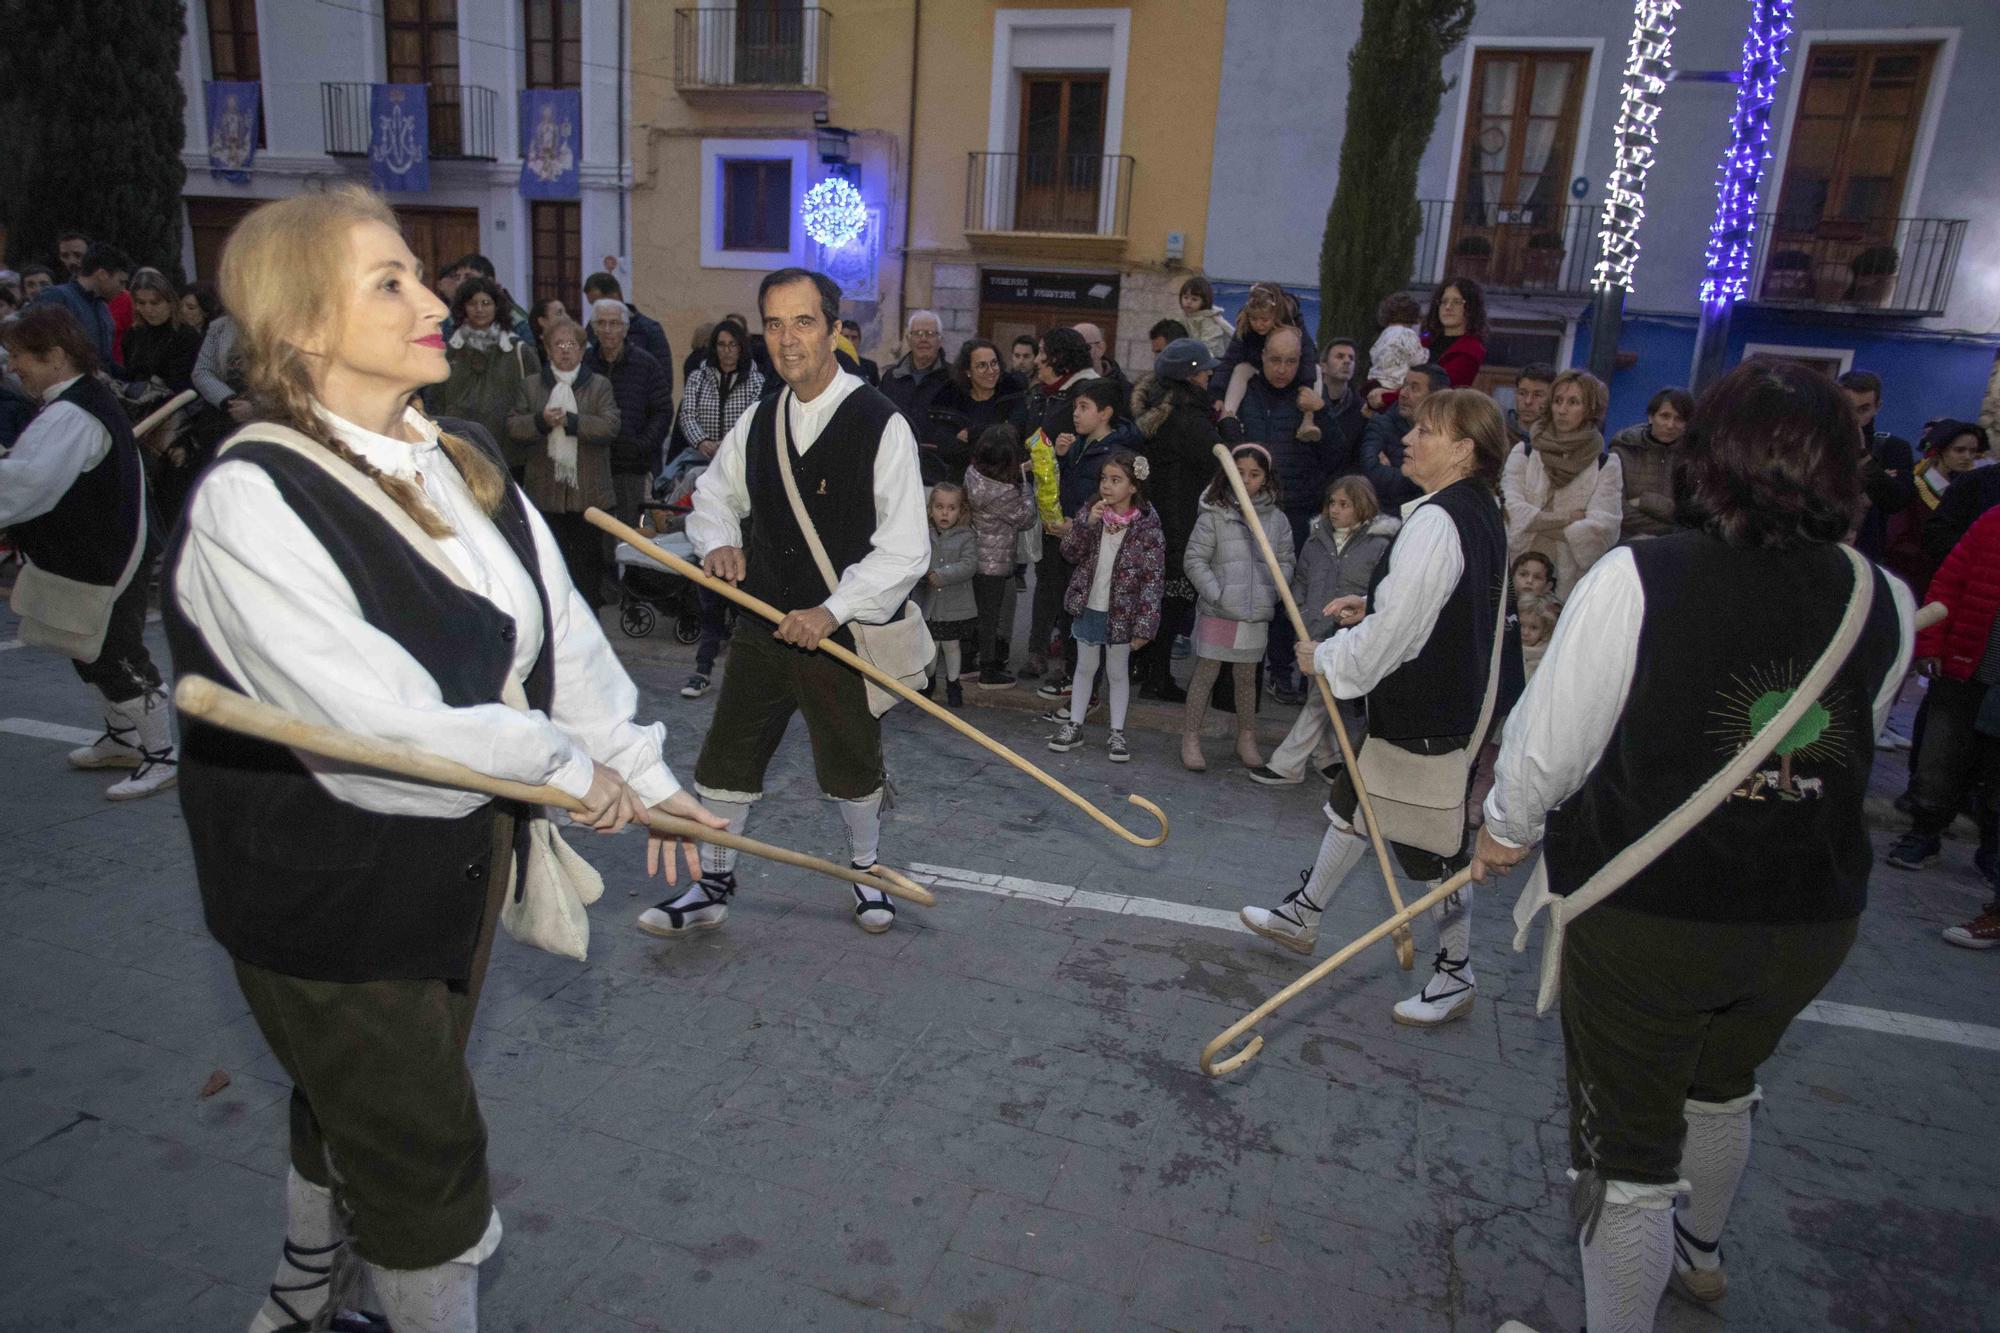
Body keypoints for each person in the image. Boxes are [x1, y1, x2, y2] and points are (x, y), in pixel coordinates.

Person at [162, 186, 719, 1333]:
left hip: (453, 866)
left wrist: (645, 774)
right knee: (424, 1155)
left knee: (355, 1097)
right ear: (303, 328)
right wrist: (566, 771)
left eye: (418, 275)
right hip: (319, 893)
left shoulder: (457, 455)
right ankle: (381, 1291)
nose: (435, 300)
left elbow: (558, 637)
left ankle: (310, 1279)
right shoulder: (248, 501)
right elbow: (379, 732)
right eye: (390, 283)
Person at [1477, 360, 1911, 1333]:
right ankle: (1701, 1257)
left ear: (1710, 457)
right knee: (1721, 1085)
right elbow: (1856, 738)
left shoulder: (1640, 576)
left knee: (1625, 1155)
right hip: (1807, 916)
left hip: (1648, 916)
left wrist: (1503, 831)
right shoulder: (1879, 596)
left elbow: (1549, 741)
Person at [644, 267, 927, 940]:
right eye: (773, 323)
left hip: (839, 634)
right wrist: (716, 544)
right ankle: (712, 883)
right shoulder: (758, 418)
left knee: (853, 759)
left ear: (835, 330)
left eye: (803, 322)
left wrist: (833, 609)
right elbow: (713, 496)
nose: (787, 338)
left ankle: (866, 871)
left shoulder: (880, 424)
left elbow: (906, 547)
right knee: (727, 755)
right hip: (764, 621)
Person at [1239, 387, 1511, 1032]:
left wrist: (1330, 659)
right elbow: (1431, 609)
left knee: (1434, 853)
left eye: (1425, 431)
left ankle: (1455, 973)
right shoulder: (1478, 510)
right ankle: (1304, 914)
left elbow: (1400, 636)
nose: (1408, 440)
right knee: (1354, 802)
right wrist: (1374, 611)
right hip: (1439, 699)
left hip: (1429, 711)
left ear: (1463, 450)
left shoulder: (1440, 521)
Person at [0, 305, 175, 801]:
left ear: (54, 356)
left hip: (107, 556)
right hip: (89, 552)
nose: (12, 366)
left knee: (115, 655)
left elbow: (30, 483)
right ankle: (122, 740)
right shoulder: (70, 405)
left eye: (19, 357)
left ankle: (163, 755)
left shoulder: (73, 413)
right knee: (84, 648)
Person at [1249, 475, 1397, 786]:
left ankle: (1286, 764)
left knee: (1322, 698)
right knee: (1324, 697)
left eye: (1344, 504)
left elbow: (1383, 590)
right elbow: (1301, 580)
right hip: (1314, 629)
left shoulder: (1380, 545)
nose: (1335, 510)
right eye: (1332, 503)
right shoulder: (1317, 540)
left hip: (1349, 634)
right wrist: (1302, 615)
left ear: (1363, 506)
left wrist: (1361, 615)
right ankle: (1328, 758)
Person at [1237, 325, 1342, 703]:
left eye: (1291, 361)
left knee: (1288, 598)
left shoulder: (1310, 399)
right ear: (1263, 358)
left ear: (1302, 363)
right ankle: (1238, 676)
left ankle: (1280, 673)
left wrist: (1322, 414)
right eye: (1276, 359)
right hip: (1248, 510)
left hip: (1296, 510)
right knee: (1244, 593)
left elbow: (1335, 457)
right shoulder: (1244, 391)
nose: (1282, 368)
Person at [1914, 506, 2000, 947]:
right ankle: (1924, 832)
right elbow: (1949, 582)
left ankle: (1991, 855)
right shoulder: (1992, 521)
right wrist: (1929, 641)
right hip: (1969, 666)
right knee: (1942, 755)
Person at [1047, 450, 1164, 763]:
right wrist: (1086, 524)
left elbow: (1153, 580)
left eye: (1116, 480)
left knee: (1117, 671)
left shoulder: (1148, 528)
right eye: (1104, 479)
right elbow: (1070, 552)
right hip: (1090, 605)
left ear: (1134, 486)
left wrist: (1145, 625)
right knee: (1084, 667)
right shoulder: (1092, 512)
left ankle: (1117, 731)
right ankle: (1075, 723)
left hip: (1123, 613)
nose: (1107, 486)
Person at [1182, 443, 1293, 772]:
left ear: (1266, 478)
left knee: (1247, 678)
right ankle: (1191, 737)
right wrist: (1217, 594)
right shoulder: (1215, 515)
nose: (1246, 480)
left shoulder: (1277, 520)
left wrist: (1270, 593)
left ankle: (1247, 736)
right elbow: (1194, 559)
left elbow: (1286, 560)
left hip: (1254, 615)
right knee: (1206, 674)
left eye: (1254, 474)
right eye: (1239, 472)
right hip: (1219, 611)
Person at [508, 315, 620, 610]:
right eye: (558, 344)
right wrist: (540, 421)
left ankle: (589, 632)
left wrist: (572, 421)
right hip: (545, 496)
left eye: (572, 345)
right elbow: (513, 427)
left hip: (589, 499)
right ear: (547, 350)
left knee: (586, 576)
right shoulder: (531, 387)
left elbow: (610, 427)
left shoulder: (599, 386)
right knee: (551, 572)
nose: (565, 350)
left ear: (583, 351)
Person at [1131, 337, 1222, 701]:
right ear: (1191, 376)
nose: (1211, 375)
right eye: (1205, 371)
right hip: (1181, 518)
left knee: (1153, 596)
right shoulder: (1190, 417)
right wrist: (1230, 429)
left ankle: (1143, 666)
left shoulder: (1158, 409)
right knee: (1172, 600)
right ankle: (1157, 676)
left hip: (1155, 514)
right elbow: (1216, 462)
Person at [1016, 325, 1099, 684]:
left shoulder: (1085, 391)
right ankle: (1037, 650)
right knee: (1047, 578)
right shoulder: (1045, 393)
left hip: (1074, 503)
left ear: (1060, 357)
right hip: (1047, 501)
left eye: (1042, 352)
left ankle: (1067, 658)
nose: (1036, 360)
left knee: (1069, 582)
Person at [1505, 368, 1623, 592]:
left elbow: (1602, 530)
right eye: (1557, 401)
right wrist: (1567, 518)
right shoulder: (1526, 452)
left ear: (1589, 409)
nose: (1562, 410)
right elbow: (1509, 512)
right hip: (1515, 570)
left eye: (1573, 402)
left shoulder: (1606, 464)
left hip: (1567, 582)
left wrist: (1535, 522)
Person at [431, 275, 541, 474]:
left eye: (486, 303)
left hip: (510, 454)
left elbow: (536, 399)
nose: (479, 309)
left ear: (496, 307)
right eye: (473, 303)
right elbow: (435, 402)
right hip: (462, 453)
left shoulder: (518, 351)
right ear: (463, 308)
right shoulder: (447, 353)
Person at [585, 297, 673, 522]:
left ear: (625, 329)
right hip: (592, 465)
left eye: (614, 323)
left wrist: (642, 445)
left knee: (629, 532)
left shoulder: (646, 364)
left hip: (631, 467)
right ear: (594, 328)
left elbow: (662, 411)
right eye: (601, 323)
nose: (607, 330)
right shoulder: (585, 365)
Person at [963, 424, 1038, 687]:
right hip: (994, 564)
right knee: (990, 618)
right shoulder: (1007, 493)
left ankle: (965, 662)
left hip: (972, 556)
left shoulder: (972, 475)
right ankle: (988, 669)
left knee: (972, 614)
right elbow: (1026, 518)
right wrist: (1027, 487)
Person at [1885, 418, 1987, 598]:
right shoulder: (1914, 487)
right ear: (1940, 451)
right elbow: (1897, 541)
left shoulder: (1972, 493)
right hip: (1909, 582)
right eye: (1959, 450)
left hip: (1953, 584)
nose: (1967, 457)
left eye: (1973, 451)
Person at [672, 317, 763, 495]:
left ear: (741, 347)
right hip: (700, 455)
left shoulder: (756, 381)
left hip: (737, 459)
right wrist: (701, 441)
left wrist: (724, 444)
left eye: (732, 345)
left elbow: (751, 420)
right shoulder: (698, 378)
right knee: (689, 482)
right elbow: (687, 414)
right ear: (714, 347)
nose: (727, 350)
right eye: (721, 345)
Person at [1837, 369, 1915, 562]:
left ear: (1877, 407)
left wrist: (1863, 457)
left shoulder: (1893, 448)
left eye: (1863, 409)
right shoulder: (1816, 443)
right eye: (1848, 408)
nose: (1854, 418)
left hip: (1864, 555)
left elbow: (1895, 501)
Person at [1215, 281, 1317, 421]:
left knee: (1316, 371)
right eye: (1254, 319)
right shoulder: (1245, 327)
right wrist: (1218, 393)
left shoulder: (1293, 323)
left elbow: (1307, 354)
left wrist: (1307, 384)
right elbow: (1230, 359)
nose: (1258, 324)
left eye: (1264, 319)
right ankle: (1227, 416)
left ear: (1276, 315)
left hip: (1290, 372)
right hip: (1259, 368)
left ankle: (1309, 419)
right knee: (1240, 369)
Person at [929, 337, 1024, 484]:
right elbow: (946, 447)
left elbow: (1013, 434)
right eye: (981, 366)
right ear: (968, 371)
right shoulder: (950, 399)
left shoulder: (1012, 395)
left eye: (994, 363)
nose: (991, 371)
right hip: (959, 484)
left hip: (1004, 486)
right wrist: (991, 442)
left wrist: (973, 434)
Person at [1608, 387, 1694, 542]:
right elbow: (1616, 507)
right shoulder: (1623, 451)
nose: (1670, 425)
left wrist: (1645, 501)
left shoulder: (1693, 459)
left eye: (1679, 419)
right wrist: (1668, 528)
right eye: (1665, 416)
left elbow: (1692, 512)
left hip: (1675, 544)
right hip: (1625, 540)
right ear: (1651, 417)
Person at [30, 242, 130, 373]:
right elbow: (38, 346)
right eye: (120, 281)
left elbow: (105, 362)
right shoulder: (56, 297)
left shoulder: (102, 309)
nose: (122, 289)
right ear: (102, 274)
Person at [920, 481, 977, 707]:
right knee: (931, 645)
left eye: (951, 508)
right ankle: (929, 680)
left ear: (960, 510)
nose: (945, 513)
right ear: (930, 509)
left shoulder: (967, 536)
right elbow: (916, 559)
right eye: (939, 507)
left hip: (955, 605)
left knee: (951, 645)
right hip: (930, 605)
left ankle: (954, 683)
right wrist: (924, 574)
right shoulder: (924, 534)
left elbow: (969, 565)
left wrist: (942, 574)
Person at [881, 309, 955, 482]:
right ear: (908, 339)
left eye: (930, 334)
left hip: (938, 475)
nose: (923, 339)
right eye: (917, 333)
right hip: (894, 472)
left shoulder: (954, 379)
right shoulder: (891, 378)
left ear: (940, 340)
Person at [1362, 362, 1447, 512]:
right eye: (1404, 385)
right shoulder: (1381, 425)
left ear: (1434, 397)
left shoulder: (1446, 434)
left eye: (1414, 388)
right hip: (1387, 516)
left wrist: (1397, 471)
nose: (1403, 393)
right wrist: (1427, 476)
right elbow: (1373, 474)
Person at [122, 267, 202, 392]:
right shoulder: (133, 334)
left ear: (170, 302)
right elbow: (129, 374)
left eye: (155, 303)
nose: (148, 310)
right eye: (141, 303)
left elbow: (182, 383)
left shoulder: (186, 336)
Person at [440, 253, 534, 344]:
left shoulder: (515, 319)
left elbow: (528, 355)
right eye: (458, 277)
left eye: (468, 277)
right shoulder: (450, 319)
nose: (460, 283)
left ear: (490, 281)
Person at [582, 271, 670, 367]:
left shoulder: (649, 330)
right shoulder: (592, 328)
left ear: (615, 296)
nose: (595, 309)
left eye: (597, 303)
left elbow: (663, 376)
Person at [1420, 276, 1488, 387]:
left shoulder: (1471, 349)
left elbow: (1437, 387)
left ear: (1471, 308)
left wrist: (1387, 396)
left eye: (1457, 302)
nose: (1448, 307)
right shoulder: (1425, 340)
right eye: (1444, 301)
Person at [1364, 292, 1428, 407]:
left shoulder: (1384, 334)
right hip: (1395, 385)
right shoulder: (1407, 334)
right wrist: (1427, 353)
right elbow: (1418, 360)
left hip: (1375, 382)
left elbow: (1373, 354)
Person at [1320, 338, 1366, 458]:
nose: (1347, 361)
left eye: (1351, 358)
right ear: (1323, 367)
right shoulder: (1307, 402)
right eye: (1340, 356)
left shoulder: (1361, 409)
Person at [1177, 274, 1234, 356]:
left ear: (1204, 301)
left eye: (1194, 299)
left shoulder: (1209, 320)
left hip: (1213, 359)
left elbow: (1210, 345)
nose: (1189, 302)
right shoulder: (1183, 317)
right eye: (1186, 297)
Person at [1074, 321, 1131, 403]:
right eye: (1069, 348)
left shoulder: (1124, 391)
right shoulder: (1062, 386)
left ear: (1100, 348)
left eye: (1080, 347)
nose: (1073, 353)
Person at [1508, 363, 1555, 445]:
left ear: (1552, 398)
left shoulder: (1557, 440)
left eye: (1538, 395)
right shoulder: (1499, 431)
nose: (1528, 401)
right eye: (1522, 393)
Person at [839, 318, 881, 385]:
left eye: (854, 338)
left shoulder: (870, 367)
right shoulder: (832, 366)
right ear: (839, 340)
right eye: (846, 337)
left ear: (859, 340)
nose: (850, 342)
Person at [527, 296, 569, 363]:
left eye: (565, 313)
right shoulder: (533, 354)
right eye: (559, 313)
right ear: (542, 321)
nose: (566, 317)